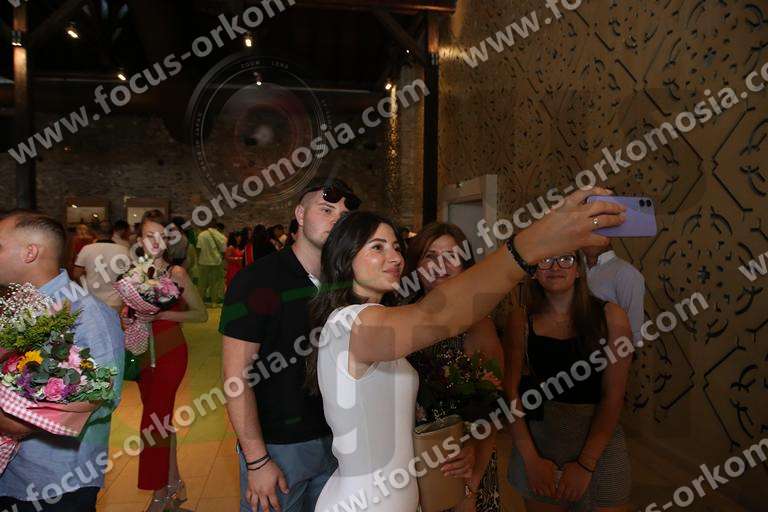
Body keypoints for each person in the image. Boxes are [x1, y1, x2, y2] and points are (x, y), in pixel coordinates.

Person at [304, 188, 626, 512]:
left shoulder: (380, 320)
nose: (395, 258)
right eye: (377, 247)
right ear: (345, 258)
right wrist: (533, 244)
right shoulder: (350, 323)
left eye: (396, 247)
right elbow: (438, 316)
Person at [220, 177, 361, 512]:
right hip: (279, 448)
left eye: (342, 217)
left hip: (338, 444)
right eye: (325, 209)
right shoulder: (258, 280)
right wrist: (257, 460)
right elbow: (235, 378)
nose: (334, 220)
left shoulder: (347, 284)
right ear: (300, 213)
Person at [0, 211, 124, 511]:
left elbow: (102, 396)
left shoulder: (87, 314)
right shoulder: (15, 306)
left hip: (54, 481)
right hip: (12, 475)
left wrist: (20, 419)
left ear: (30, 252)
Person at [504, 249, 633, 511]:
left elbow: (613, 396)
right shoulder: (520, 320)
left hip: (599, 442)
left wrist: (586, 464)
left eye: (566, 259)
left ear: (578, 270)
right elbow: (510, 393)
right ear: (534, 271)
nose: (555, 267)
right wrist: (531, 460)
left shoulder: (612, 317)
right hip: (540, 443)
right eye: (545, 260)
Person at [404, 222, 504, 512]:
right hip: (408, 459)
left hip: (462, 461)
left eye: (451, 256)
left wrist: (472, 480)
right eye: (430, 256)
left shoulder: (478, 323)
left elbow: (492, 406)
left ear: (465, 265)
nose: (441, 265)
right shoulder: (401, 318)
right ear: (416, 267)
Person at [123, 210, 208, 512]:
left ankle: (159, 493)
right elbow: (128, 312)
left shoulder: (177, 273)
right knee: (161, 421)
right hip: (143, 353)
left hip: (170, 352)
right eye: (149, 235)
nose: (156, 241)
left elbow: (201, 314)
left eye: (162, 235)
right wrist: (128, 318)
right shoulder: (132, 273)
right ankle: (175, 483)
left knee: (153, 423)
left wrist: (163, 314)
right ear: (139, 239)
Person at [582, 240, 646, 347]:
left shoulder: (626, 273)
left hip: (608, 350)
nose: (590, 238)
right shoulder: (573, 269)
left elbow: (634, 332)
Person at [72, 220, 131, 313]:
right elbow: (129, 276)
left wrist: (85, 286)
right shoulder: (124, 250)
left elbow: (76, 274)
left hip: (92, 299)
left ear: (97, 233)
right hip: (116, 301)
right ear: (112, 233)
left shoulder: (86, 249)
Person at [197, 222, 227, 306]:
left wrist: (198, 259)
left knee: (202, 283)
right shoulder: (222, 236)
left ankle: (200, 302)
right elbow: (224, 251)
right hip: (216, 263)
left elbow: (198, 249)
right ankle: (214, 302)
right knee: (215, 283)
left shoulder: (201, 235)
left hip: (203, 262)